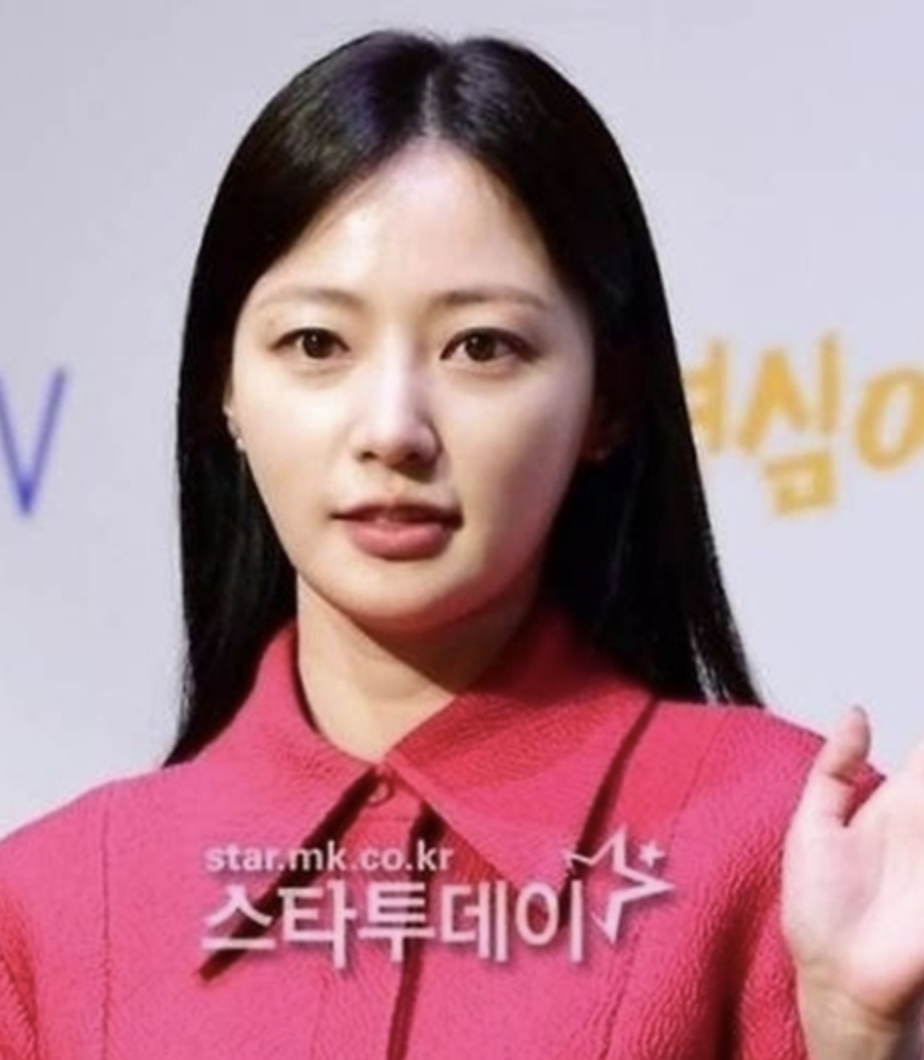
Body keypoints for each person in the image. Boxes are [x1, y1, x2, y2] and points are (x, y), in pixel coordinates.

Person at [0, 28, 922, 1060]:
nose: (393, 428)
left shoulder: (798, 858)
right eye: (317, 344)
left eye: (482, 346)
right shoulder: (47, 909)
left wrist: (867, 1043)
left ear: (609, 400)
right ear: (226, 390)